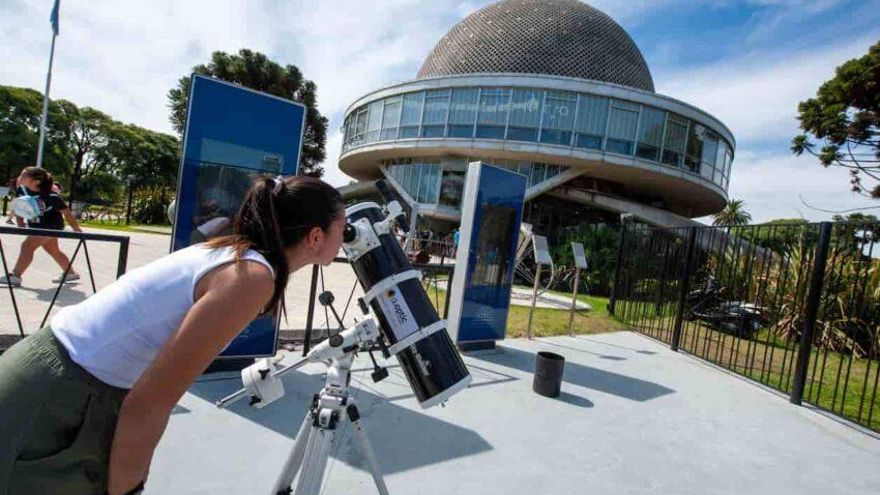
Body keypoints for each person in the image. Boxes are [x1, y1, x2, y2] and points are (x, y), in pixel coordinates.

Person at [0, 175, 346, 495]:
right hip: (60, 397)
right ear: (316, 237)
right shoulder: (251, 277)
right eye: (342, 228)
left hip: (50, 370)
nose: (346, 238)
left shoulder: (233, 253)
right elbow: (149, 403)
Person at [0, 167, 83, 287]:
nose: (20, 177)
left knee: (27, 246)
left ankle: (15, 276)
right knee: (52, 250)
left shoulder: (51, 196)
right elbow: (19, 206)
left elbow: (67, 213)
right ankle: (70, 273)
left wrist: (77, 229)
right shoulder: (21, 190)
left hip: (51, 225)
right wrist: (20, 222)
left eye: (24, 176)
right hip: (37, 225)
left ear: (36, 182)